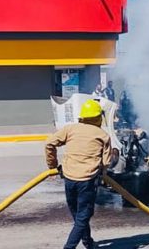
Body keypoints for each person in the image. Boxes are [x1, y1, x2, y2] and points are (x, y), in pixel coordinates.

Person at [45, 99, 111, 249]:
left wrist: (53, 165)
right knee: (83, 216)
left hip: (69, 178)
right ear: (98, 117)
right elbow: (106, 163)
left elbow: (49, 143)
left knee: (78, 215)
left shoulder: (70, 129)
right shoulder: (103, 135)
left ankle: (88, 242)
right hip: (87, 181)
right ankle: (69, 247)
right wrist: (104, 176)